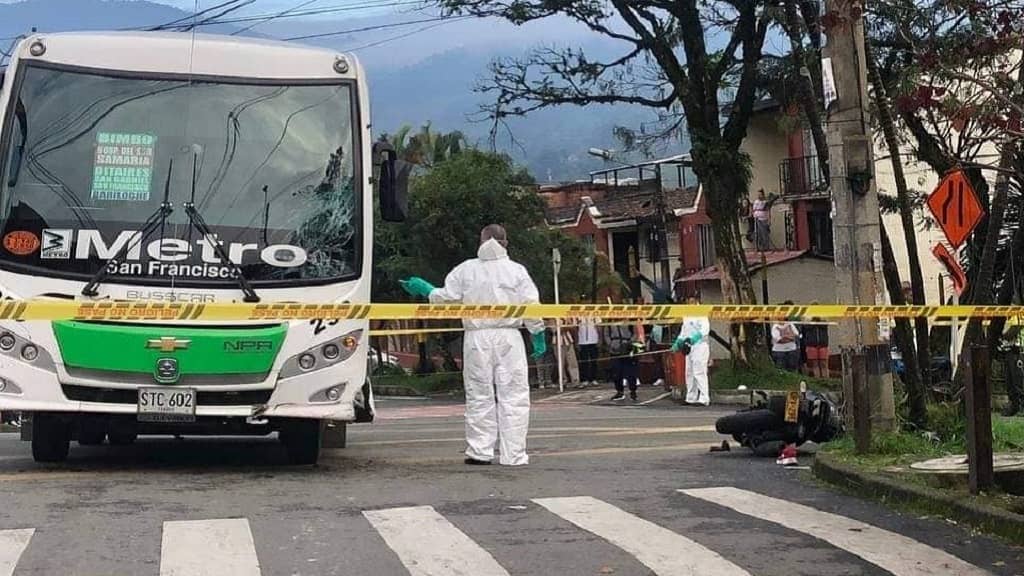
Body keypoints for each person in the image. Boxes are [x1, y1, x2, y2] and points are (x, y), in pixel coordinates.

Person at [400, 224, 545, 466]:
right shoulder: (516, 271)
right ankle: (514, 455)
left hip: (477, 337)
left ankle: (480, 451)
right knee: (514, 395)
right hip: (509, 336)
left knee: (479, 394)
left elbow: (446, 297)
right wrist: (537, 333)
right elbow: (532, 305)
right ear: (505, 242)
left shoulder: (466, 270)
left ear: (481, 241)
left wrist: (426, 289)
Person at [672, 295, 710, 405]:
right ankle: (691, 397)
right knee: (689, 372)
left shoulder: (701, 312)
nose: (690, 302)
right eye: (688, 300)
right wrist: (678, 342)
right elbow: (684, 330)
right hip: (689, 347)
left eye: (692, 300)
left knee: (699, 371)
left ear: (697, 301)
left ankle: (704, 398)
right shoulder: (687, 313)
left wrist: (694, 338)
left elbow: (705, 329)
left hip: (700, 345)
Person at [603, 321, 636, 401]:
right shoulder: (609, 324)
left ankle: (633, 391)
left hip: (627, 350)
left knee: (630, 372)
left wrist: (629, 343)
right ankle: (619, 391)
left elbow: (635, 333)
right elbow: (606, 335)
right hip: (614, 350)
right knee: (616, 372)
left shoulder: (629, 321)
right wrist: (610, 344)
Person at [771, 304, 801, 372]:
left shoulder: (790, 324)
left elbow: (796, 335)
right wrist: (789, 337)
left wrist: (785, 337)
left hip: (792, 350)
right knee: (781, 369)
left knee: (793, 369)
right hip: (779, 351)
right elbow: (778, 339)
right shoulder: (775, 326)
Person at [802, 309, 830, 378]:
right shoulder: (807, 318)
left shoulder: (823, 319)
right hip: (812, 344)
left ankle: (826, 379)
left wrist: (819, 319)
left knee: (824, 364)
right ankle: (818, 380)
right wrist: (812, 320)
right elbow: (806, 327)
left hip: (823, 344)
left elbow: (825, 325)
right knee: (815, 364)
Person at [577, 315, 600, 386]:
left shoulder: (595, 314)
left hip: (593, 340)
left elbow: (599, 327)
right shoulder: (578, 315)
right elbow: (575, 328)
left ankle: (594, 378)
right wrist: (576, 341)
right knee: (584, 361)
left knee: (594, 361)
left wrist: (600, 339)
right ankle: (584, 379)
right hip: (582, 341)